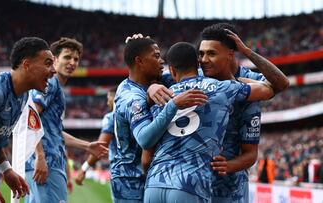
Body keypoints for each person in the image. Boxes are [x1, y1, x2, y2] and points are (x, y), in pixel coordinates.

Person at [147, 23, 289, 203]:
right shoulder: (196, 75)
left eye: (211, 54)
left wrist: (246, 52)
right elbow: (153, 78)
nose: (203, 60)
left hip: (230, 189)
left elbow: (251, 153)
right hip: (193, 183)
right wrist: (152, 87)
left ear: (231, 53)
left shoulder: (252, 81)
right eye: (201, 54)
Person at [111, 36, 207, 203]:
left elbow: (191, 71)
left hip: (155, 176)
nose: (161, 61)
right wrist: (173, 105)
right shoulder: (130, 97)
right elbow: (145, 139)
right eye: (156, 56)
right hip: (131, 181)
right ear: (139, 61)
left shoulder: (156, 80)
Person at [0, 37, 56, 203]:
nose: (54, 70)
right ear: (26, 64)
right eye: (48, 63)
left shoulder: (22, 95)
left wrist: (6, 169)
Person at [24, 37, 108, 203]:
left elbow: (53, 131)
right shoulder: (51, 83)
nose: (72, 62)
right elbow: (30, 115)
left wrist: (86, 145)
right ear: (54, 60)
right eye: (67, 57)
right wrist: (40, 156)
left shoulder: (56, 88)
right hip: (45, 164)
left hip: (46, 163)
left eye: (76, 59)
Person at [75, 86, 117, 186]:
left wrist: (84, 168)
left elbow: (101, 146)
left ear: (115, 98)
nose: (107, 103)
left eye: (108, 99)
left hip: (122, 173)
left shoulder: (111, 117)